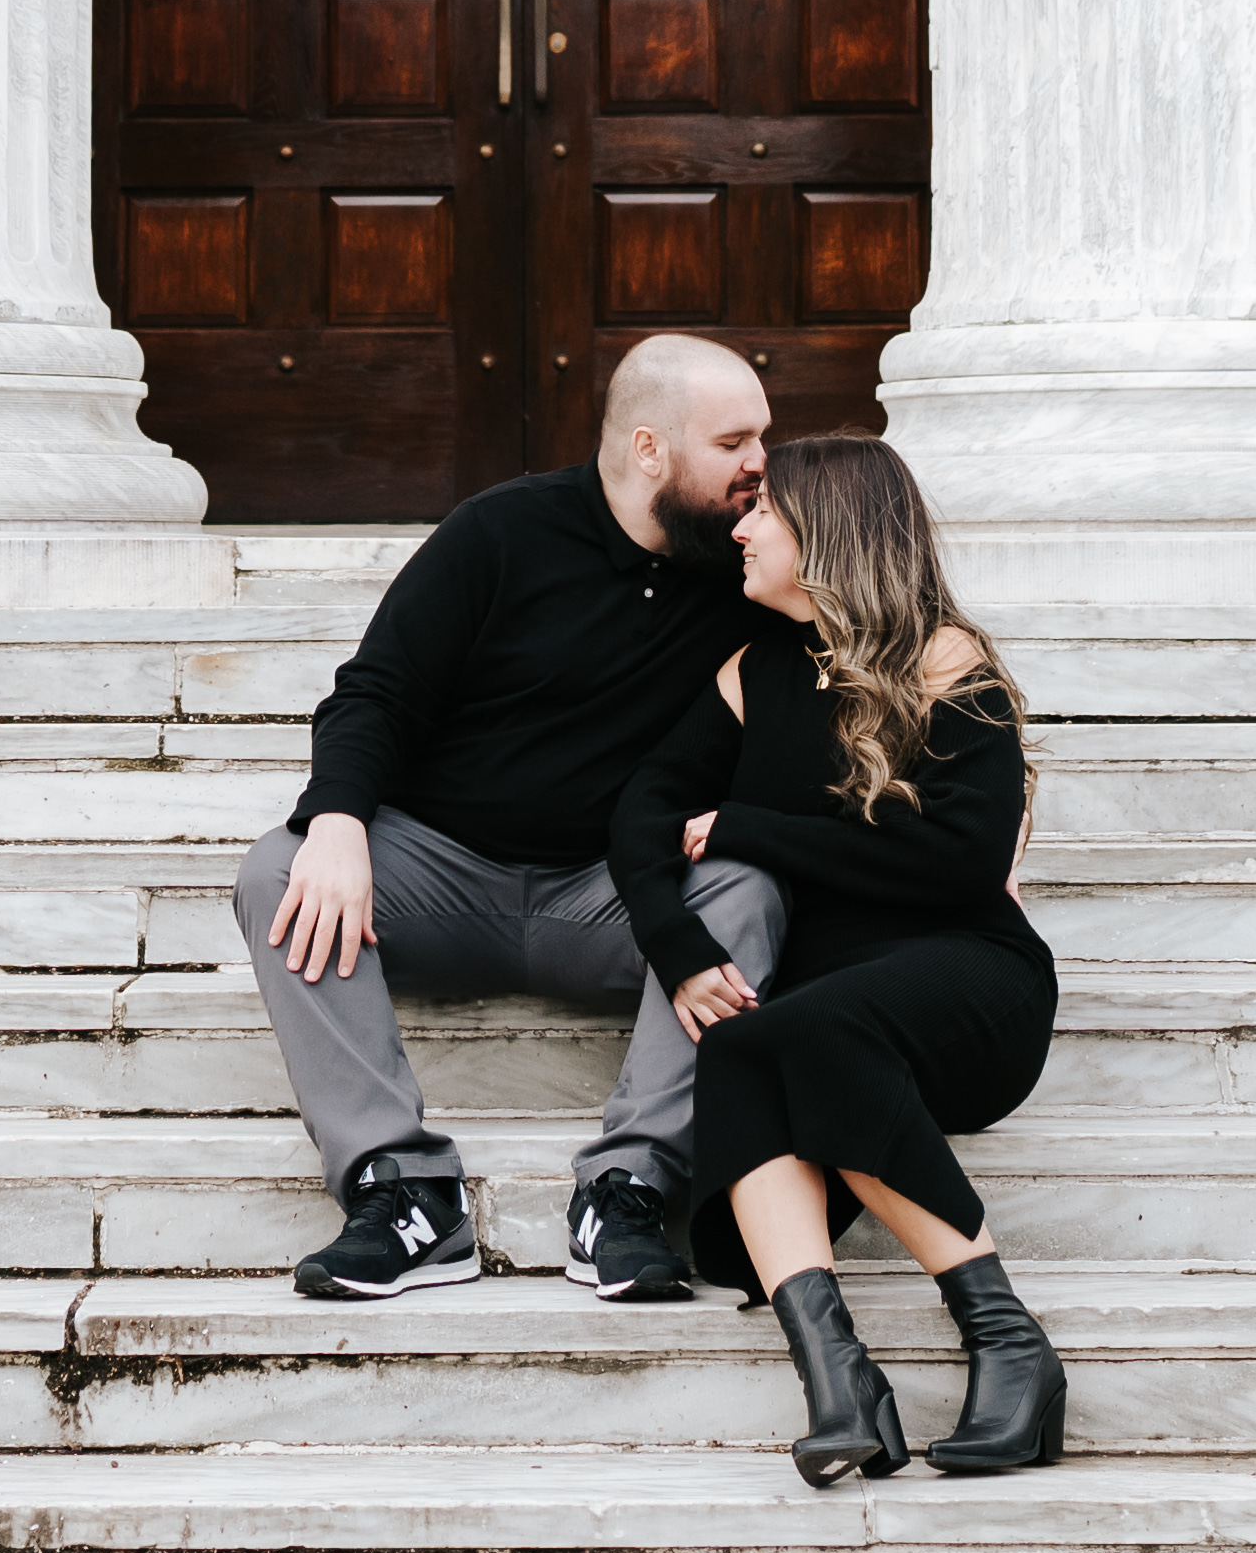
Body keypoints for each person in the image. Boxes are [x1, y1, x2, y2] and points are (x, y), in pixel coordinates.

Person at [238, 334, 792, 1304]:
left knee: (747, 885)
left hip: (616, 898)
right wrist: (336, 820)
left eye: (765, 440)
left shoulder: (748, 568)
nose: (760, 466)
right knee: (276, 869)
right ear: (651, 447)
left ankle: (631, 1187)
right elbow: (376, 693)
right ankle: (404, 1194)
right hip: (444, 878)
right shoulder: (501, 532)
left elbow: (880, 671)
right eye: (735, 441)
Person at [609, 432, 1063, 1484]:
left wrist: (750, 827)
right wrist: (676, 946)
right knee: (745, 1046)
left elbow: (959, 862)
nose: (743, 525)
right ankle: (840, 1382)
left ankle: (1010, 1342)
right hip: (836, 1023)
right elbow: (642, 812)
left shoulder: (947, 660)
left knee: (800, 1032)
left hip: (971, 982)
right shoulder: (750, 672)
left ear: (830, 533)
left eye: (766, 509)